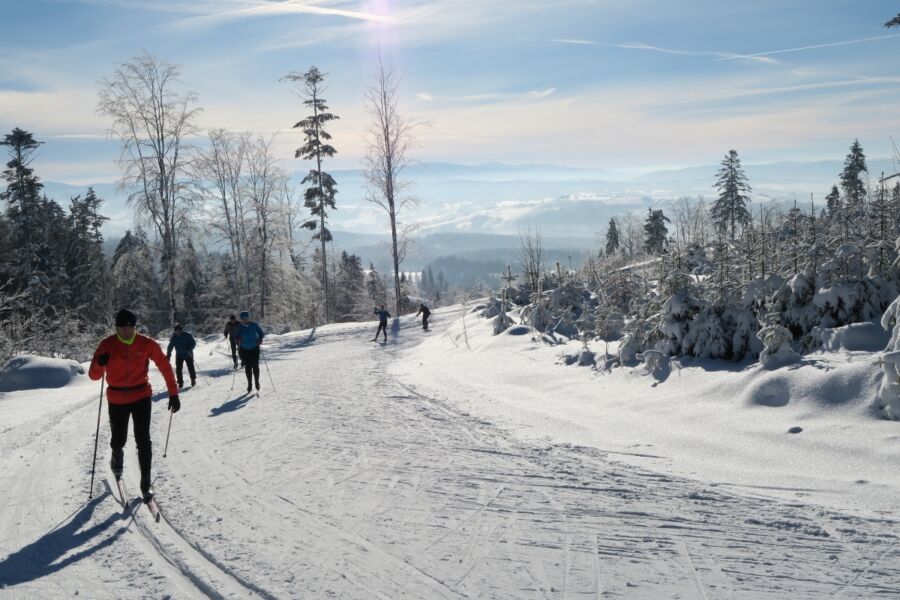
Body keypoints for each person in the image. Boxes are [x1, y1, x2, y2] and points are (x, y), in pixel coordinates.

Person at [89, 309, 180, 502]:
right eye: (123, 327)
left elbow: (164, 365)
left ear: (135, 327)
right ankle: (116, 456)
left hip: (141, 396)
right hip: (117, 398)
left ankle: (145, 482)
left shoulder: (146, 343)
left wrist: (173, 392)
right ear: (117, 328)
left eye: (130, 327)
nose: (127, 331)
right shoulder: (107, 345)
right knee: (119, 439)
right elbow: (93, 375)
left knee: (143, 440)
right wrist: (99, 362)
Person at [235, 310, 264, 393]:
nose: (245, 320)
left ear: (249, 317)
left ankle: (257, 382)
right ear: (241, 319)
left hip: (254, 348)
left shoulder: (254, 325)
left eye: (247, 318)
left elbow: (261, 333)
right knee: (248, 367)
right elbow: (235, 337)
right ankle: (249, 384)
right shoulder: (240, 327)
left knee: (255, 366)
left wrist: (260, 340)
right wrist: (238, 339)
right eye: (243, 318)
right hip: (244, 349)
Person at [167, 323, 197, 388]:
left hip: (188, 354)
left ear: (181, 330)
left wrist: (190, 348)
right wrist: (168, 355)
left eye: (179, 330)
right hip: (179, 355)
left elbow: (193, 343)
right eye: (176, 331)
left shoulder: (187, 335)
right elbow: (170, 347)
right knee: (178, 369)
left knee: (191, 368)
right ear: (175, 331)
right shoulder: (174, 338)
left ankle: (193, 379)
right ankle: (180, 382)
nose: (178, 332)